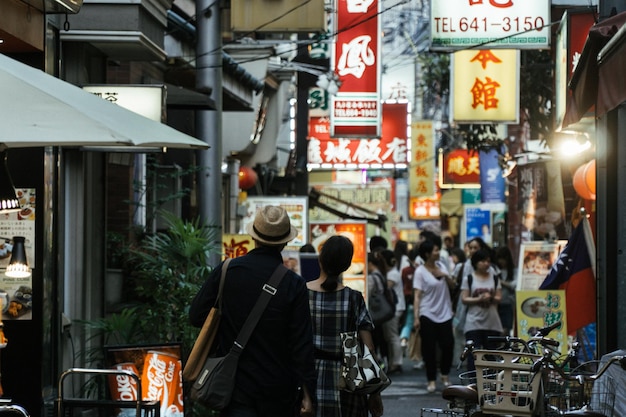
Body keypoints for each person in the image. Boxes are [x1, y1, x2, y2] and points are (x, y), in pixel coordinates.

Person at [189, 205, 316, 417]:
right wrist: (308, 393)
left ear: (254, 237)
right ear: (284, 242)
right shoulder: (293, 284)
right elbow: (302, 346)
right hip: (279, 392)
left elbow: (195, 316)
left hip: (233, 386)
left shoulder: (227, 270)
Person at [306, 235, 383, 417]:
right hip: (348, 381)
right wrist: (374, 393)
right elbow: (368, 348)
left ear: (320, 259)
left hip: (309, 381)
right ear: (347, 266)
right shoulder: (353, 298)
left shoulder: (302, 293)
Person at [412, 239, 456, 393]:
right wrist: (416, 317)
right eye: (436, 250)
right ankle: (431, 379)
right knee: (429, 348)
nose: (438, 252)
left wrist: (444, 274)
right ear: (427, 254)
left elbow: (452, 286)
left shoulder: (442, 266)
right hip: (427, 313)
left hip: (445, 312)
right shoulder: (420, 272)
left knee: (448, 344)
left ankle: (444, 374)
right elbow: (417, 295)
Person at [460, 248, 503, 371]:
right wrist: (479, 299)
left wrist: (491, 297)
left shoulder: (494, 278)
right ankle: (474, 383)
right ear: (475, 263)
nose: (486, 264)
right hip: (473, 322)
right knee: (474, 354)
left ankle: (491, 382)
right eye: (483, 261)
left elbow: (499, 297)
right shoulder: (469, 279)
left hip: (492, 322)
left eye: (488, 261)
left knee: (491, 354)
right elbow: (464, 298)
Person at [379, 248, 404, 374]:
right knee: (391, 336)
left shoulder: (392, 274)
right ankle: (395, 361)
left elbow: (385, 288)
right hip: (396, 307)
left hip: (395, 308)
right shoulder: (393, 272)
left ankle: (397, 362)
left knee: (393, 336)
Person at [495, 246, 517, 336]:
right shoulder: (496, 270)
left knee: (506, 329)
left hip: (508, 304)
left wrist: (501, 282)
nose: (501, 262)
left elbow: (514, 285)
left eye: (503, 259)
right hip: (497, 304)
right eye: (500, 259)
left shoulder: (514, 271)